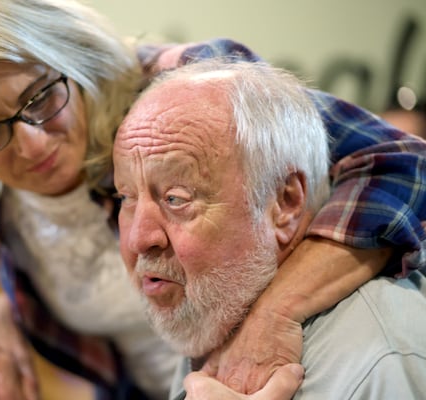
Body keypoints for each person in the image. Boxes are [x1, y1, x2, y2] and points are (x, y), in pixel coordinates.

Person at [0, 0, 426, 398]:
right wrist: (0, 316)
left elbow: (403, 166)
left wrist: (277, 313)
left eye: (39, 96)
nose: (31, 144)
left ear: (65, 53)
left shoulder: (182, 88)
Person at [113, 59, 426, 400]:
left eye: (176, 199)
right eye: (126, 197)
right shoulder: (219, 308)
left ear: (286, 203)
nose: (138, 239)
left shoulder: (380, 363)